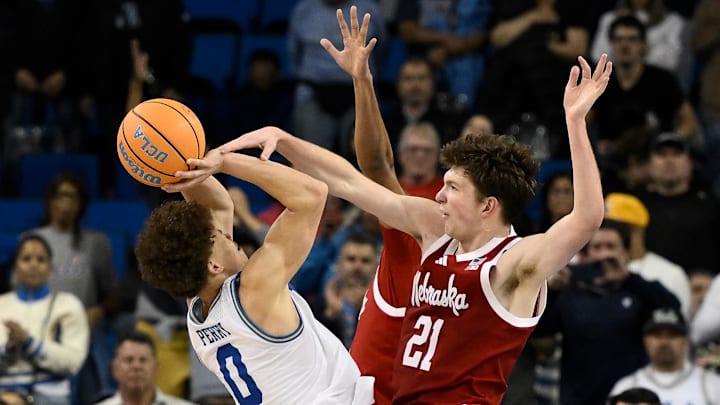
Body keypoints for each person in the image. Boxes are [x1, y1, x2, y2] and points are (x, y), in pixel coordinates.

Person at [218, 7, 612, 403]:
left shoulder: (513, 264)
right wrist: (283, 139)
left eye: (453, 188)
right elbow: (349, 181)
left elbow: (587, 217)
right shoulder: (433, 229)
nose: (438, 194)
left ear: (488, 206)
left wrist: (575, 124)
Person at [133, 146, 374, 403]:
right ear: (213, 265)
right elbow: (312, 195)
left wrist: (181, 164)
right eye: (218, 237)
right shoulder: (254, 290)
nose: (228, 233)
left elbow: (218, 207)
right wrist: (224, 162)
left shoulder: (197, 311)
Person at [534, 220, 681, 404]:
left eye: (611, 246)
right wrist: (552, 292)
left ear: (625, 253)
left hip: (629, 398)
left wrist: (629, 279)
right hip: (580, 397)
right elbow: (540, 331)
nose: (604, 254)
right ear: (586, 255)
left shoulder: (637, 289)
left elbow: (672, 308)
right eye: (597, 247)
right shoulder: (570, 292)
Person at [0, 234, 89, 404]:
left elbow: (73, 361)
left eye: (41, 260)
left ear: (50, 266)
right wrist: (8, 348)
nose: (34, 265)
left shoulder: (68, 305)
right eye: (26, 259)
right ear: (15, 266)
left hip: (50, 397)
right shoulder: (1, 305)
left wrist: (29, 342)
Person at [603, 192, 691, 318]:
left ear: (635, 230)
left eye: (613, 227)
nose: (604, 232)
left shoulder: (670, 274)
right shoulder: (586, 266)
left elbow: (680, 326)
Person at [609, 307, 720, 404]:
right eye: (657, 335)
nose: (664, 342)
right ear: (645, 340)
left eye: (672, 335)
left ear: (685, 340)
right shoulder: (626, 386)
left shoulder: (712, 386)